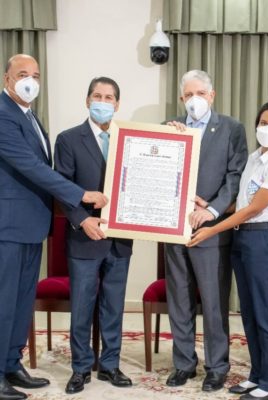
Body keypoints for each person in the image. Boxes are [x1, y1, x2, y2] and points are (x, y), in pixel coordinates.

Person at [0, 54, 107, 400]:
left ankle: (12, 363)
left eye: (35, 74)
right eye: (21, 74)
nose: (30, 80)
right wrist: (81, 194)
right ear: (6, 79)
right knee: (4, 300)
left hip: (32, 225)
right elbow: (33, 167)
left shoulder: (28, 116)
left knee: (21, 300)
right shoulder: (3, 114)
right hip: (9, 226)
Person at [188, 101, 268, 400]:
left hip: (264, 240)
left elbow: (253, 210)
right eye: (263, 122)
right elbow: (240, 202)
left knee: (264, 314)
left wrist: (212, 228)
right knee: (248, 313)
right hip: (243, 240)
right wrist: (209, 208)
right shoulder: (253, 158)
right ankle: (256, 376)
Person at [164, 70, 248, 392]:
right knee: (179, 300)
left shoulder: (231, 129)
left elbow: (234, 177)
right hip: (175, 230)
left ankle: (217, 366)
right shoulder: (169, 128)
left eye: (200, 93)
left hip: (211, 229)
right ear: (182, 98)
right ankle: (184, 363)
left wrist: (210, 210)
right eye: (188, 95)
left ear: (212, 95)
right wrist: (169, 140)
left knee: (213, 302)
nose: (194, 99)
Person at [54, 77, 133, 394]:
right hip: (84, 238)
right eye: (97, 95)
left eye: (109, 97)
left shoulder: (131, 141)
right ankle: (80, 368)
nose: (103, 101)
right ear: (87, 100)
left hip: (120, 239)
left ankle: (110, 366)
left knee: (114, 306)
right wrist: (82, 220)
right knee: (82, 307)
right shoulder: (69, 139)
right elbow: (61, 187)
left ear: (117, 104)